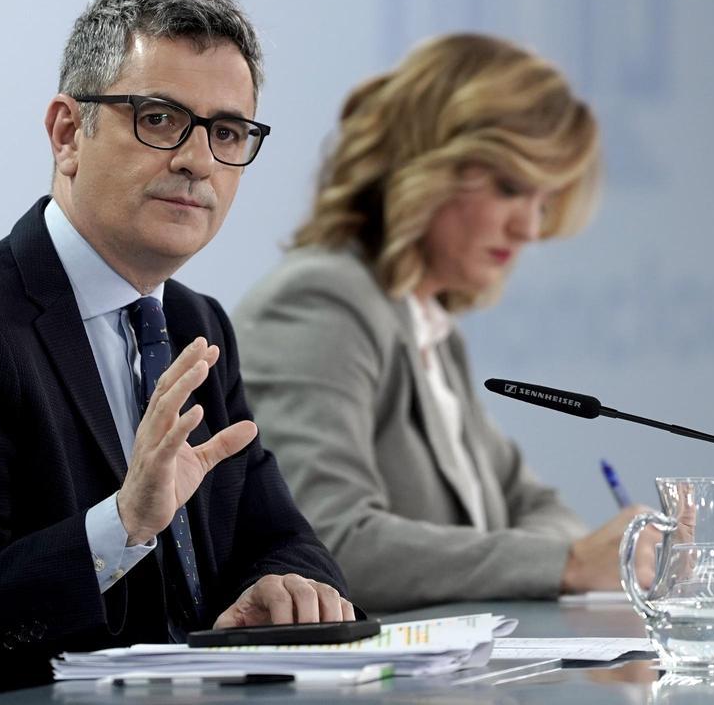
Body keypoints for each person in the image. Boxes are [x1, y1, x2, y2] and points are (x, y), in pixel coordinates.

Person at [0, 0, 353, 703]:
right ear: (68, 133)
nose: (198, 160)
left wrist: (284, 583)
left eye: (227, 133)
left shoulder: (195, 325)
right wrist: (120, 525)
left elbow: (284, 537)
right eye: (160, 119)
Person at [233, 33, 659, 613]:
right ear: (424, 167)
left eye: (543, 201)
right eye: (510, 188)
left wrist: (571, 556)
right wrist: (568, 564)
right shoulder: (322, 301)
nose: (530, 229)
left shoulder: (429, 325)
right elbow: (327, 545)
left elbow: (536, 506)